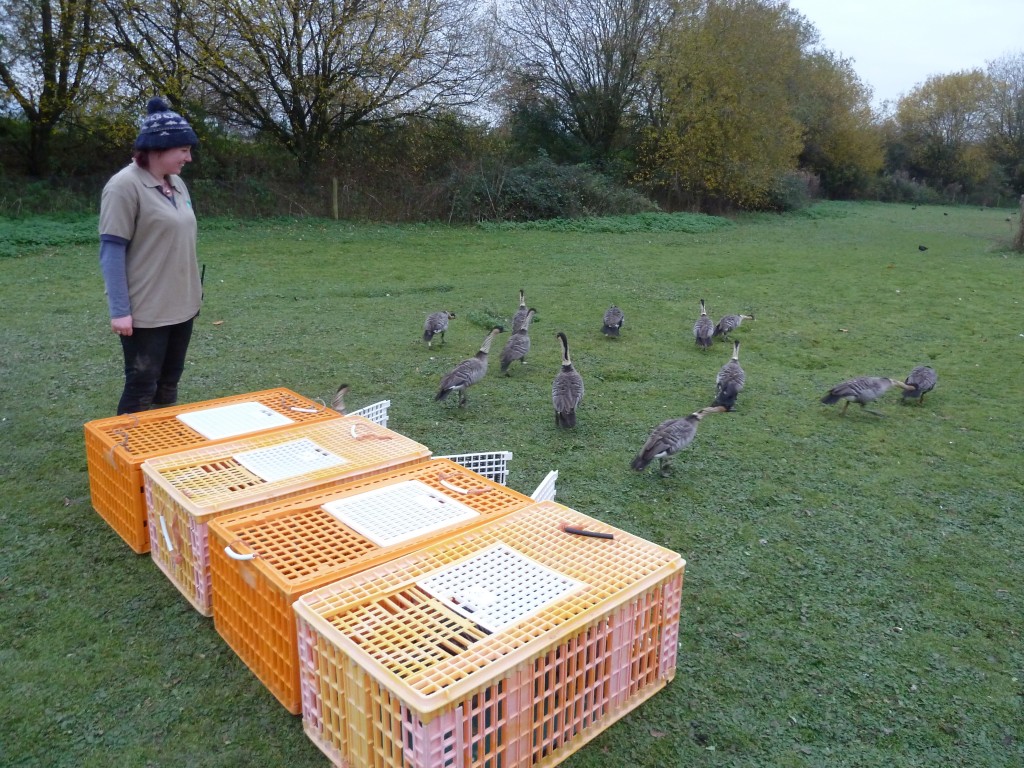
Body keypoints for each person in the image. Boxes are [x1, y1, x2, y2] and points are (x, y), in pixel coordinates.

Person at [98, 97, 202, 414]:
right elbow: (112, 250)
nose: (189, 158)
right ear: (158, 149)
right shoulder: (123, 186)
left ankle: (159, 449)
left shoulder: (178, 184)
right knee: (142, 384)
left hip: (183, 305)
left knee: (169, 382)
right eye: (183, 150)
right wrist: (120, 311)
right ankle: (125, 454)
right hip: (146, 310)